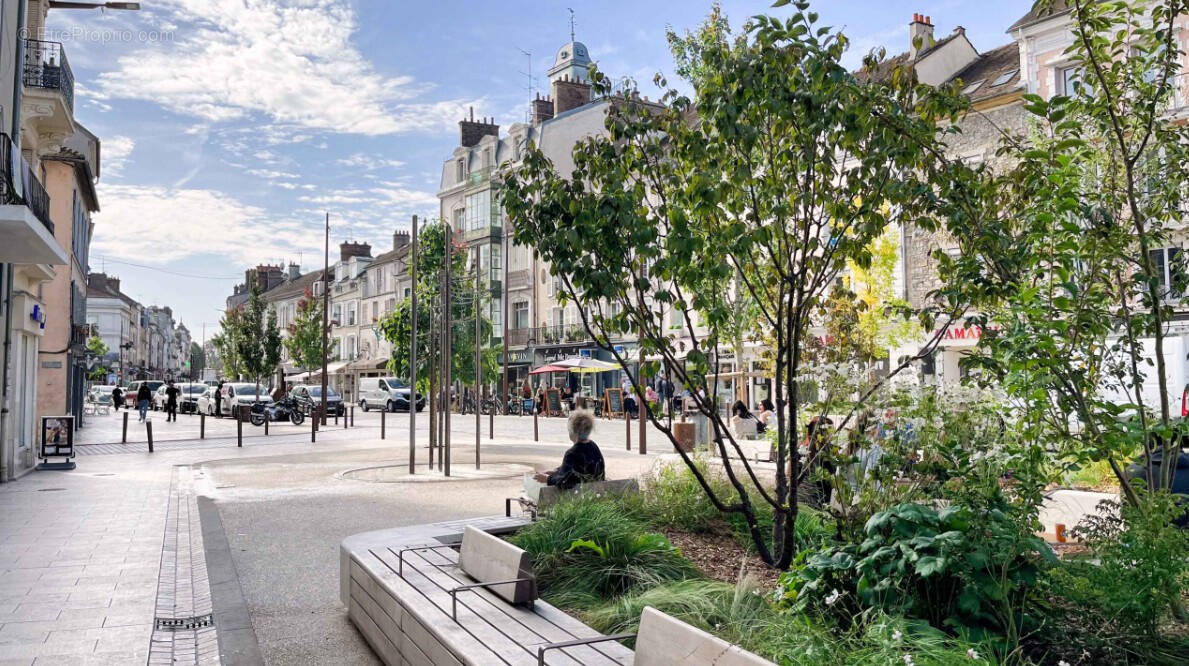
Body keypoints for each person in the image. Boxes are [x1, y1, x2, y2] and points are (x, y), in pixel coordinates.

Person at [533, 409, 605, 489]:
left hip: (578, 493)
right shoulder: (594, 446)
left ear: (572, 431)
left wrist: (547, 479)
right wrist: (556, 471)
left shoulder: (572, 453)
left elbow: (564, 481)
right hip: (596, 490)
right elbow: (573, 471)